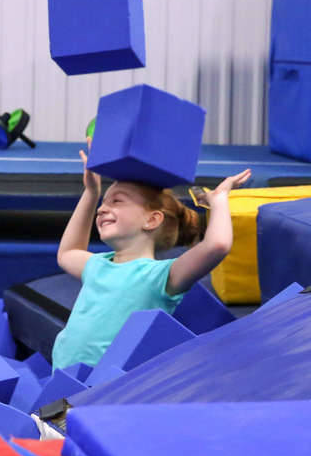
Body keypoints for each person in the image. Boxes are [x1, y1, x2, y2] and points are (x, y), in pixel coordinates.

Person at [52, 151, 251, 368]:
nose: (101, 209)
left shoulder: (159, 276)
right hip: (63, 378)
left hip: (104, 390)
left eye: (116, 201)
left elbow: (217, 245)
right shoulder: (98, 265)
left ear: (152, 219)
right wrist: (91, 193)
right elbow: (67, 253)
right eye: (102, 203)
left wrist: (219, 199)